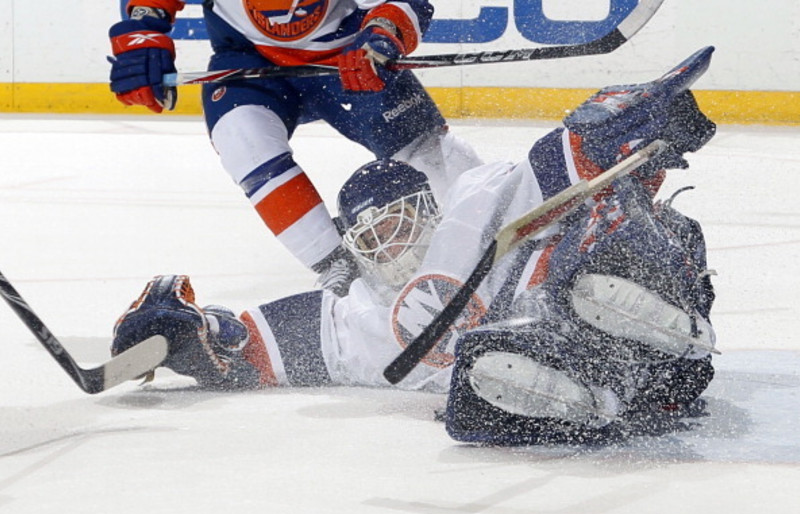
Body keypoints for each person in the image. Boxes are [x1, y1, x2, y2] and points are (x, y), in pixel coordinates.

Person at [111, 48, 718, 445]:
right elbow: (253, 346)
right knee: (482, 384)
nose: (390, 245)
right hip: (570, 361)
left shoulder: (475, 199)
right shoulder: (357, 315)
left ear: (429, 206)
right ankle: (590, 393)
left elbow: (565, 158)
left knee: (604, 259)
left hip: (615, 300)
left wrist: (625, 121)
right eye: (371, 237)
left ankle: (667, 331)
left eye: (398, 221)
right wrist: (189, 336)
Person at [107, 0, 483, 296]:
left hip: (348, 55)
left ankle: (492, 230)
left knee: (430, 157)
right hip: (249, 61)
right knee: (240, 137)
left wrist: (381, 35)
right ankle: (338, 266)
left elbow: (402, 3)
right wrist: (140, 43)